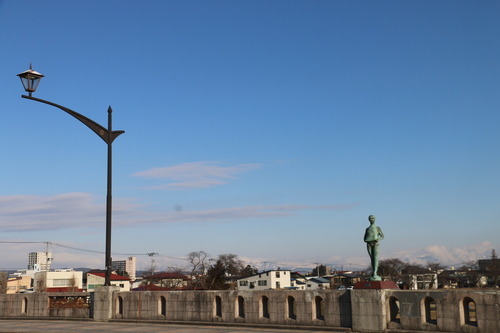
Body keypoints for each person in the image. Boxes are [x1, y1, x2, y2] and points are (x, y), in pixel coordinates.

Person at [364, 215, 384, 281]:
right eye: (371, 218)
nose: (372, 219)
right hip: (369, 244)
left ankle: (375, 273)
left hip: (375, 243)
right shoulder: (367, 229)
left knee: (375, 258)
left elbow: (382, 236)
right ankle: (373, 272)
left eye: (373, 218)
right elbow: (364, 238)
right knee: (372, 258)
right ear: (369, 220)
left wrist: (377, 239)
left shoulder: (377, 228)